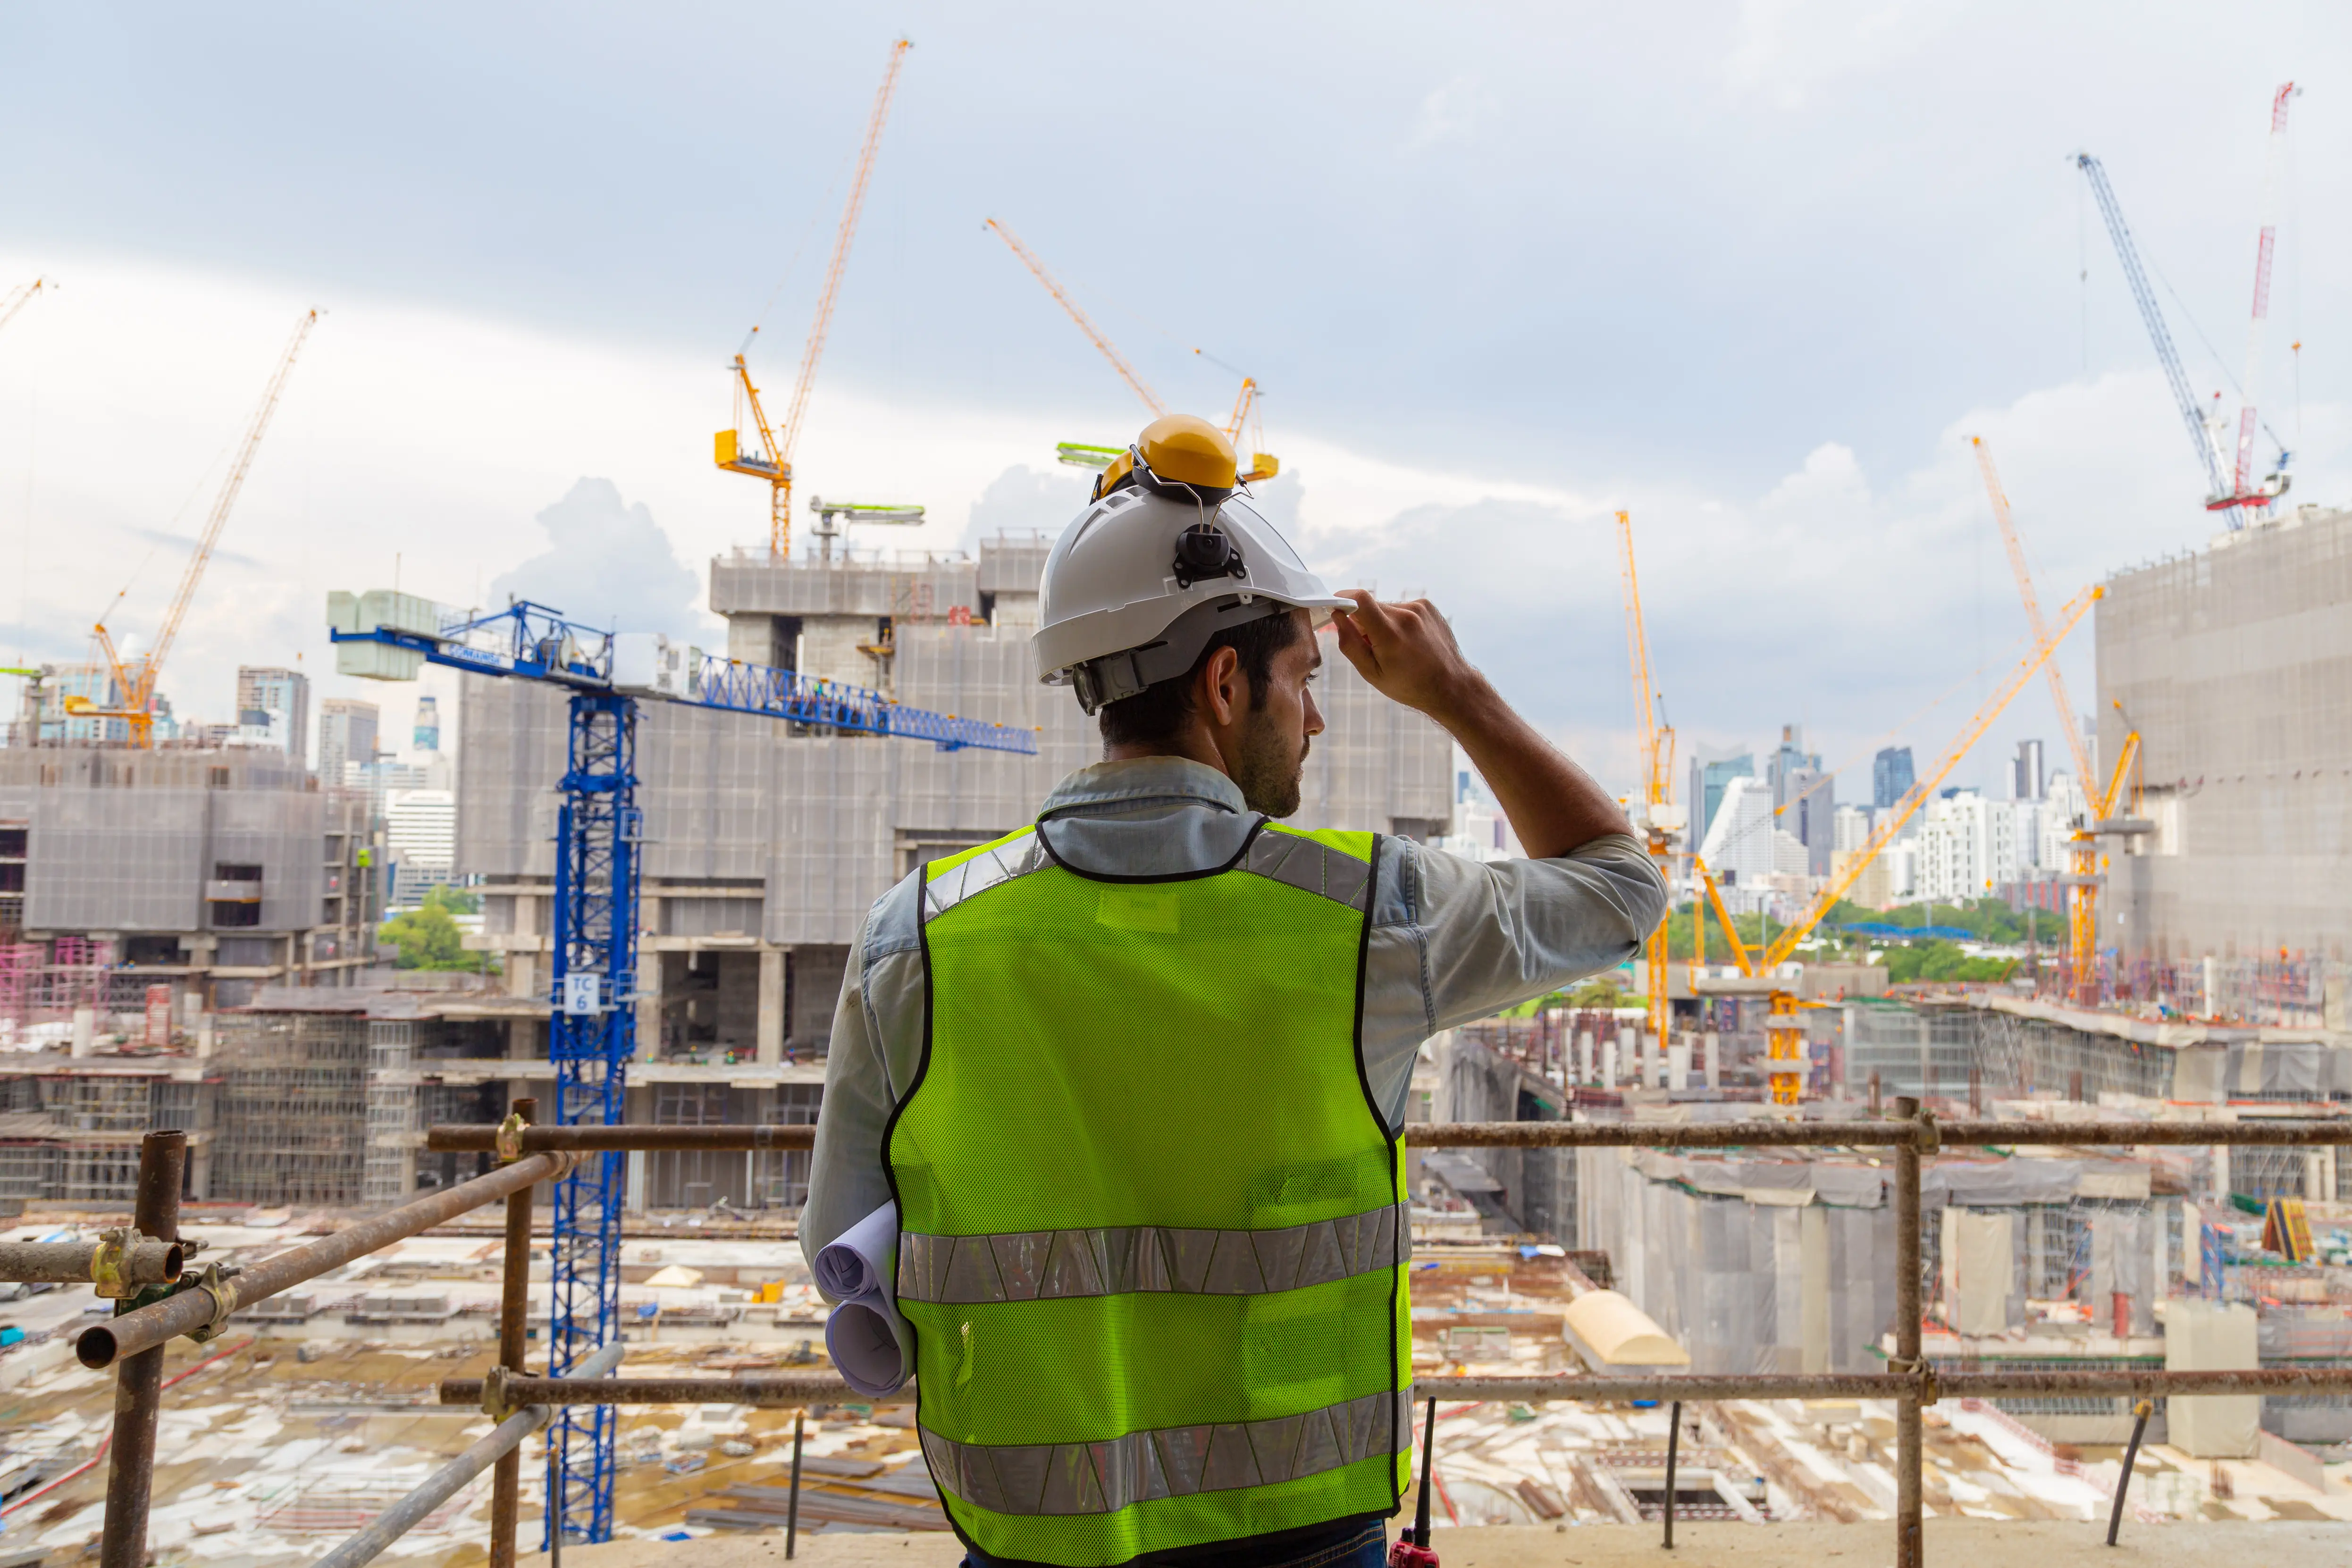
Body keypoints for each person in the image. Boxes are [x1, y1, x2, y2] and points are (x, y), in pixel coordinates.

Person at [803, 414, 1668, 1568]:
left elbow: (846, 1259)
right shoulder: (1374, 916)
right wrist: (1454, 690)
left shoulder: (914, 940)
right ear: (1223, 681)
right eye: (1304, 681)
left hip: (1025, 1543)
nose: (1313, 717)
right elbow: (1617, 888)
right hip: (1300, 1540)